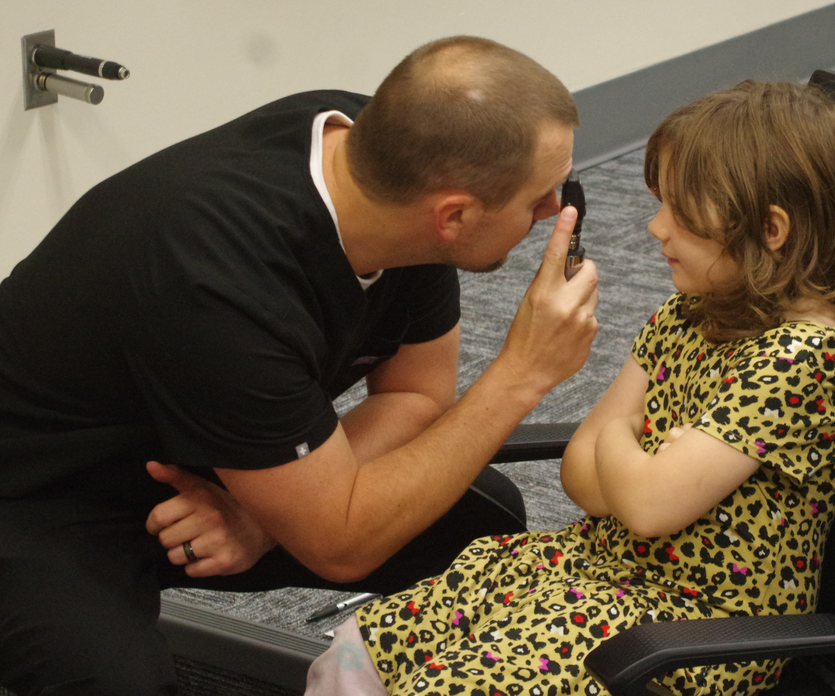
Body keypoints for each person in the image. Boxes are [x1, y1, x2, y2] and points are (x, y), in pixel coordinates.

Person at [0, 36, 598, 696]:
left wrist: (258, 518)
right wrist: (522, 372)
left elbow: (417, 396)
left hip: (215, 446)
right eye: (541, 197)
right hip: (40, 495)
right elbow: (342, 544)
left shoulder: (387, 162)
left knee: (476, 524)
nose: (555, 214)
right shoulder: (218, 277)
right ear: (452, 215)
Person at [305, 80, 835, 696]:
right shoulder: (689, 314)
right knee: (381, 637)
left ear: (771, 229)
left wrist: (619, 442)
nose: (657, 228)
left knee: (465, 680)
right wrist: (634, 454)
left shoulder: (804, 359)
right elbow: (580, 475)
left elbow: (646, 507)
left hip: (693, 623)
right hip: (603, 570)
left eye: (683, 214)